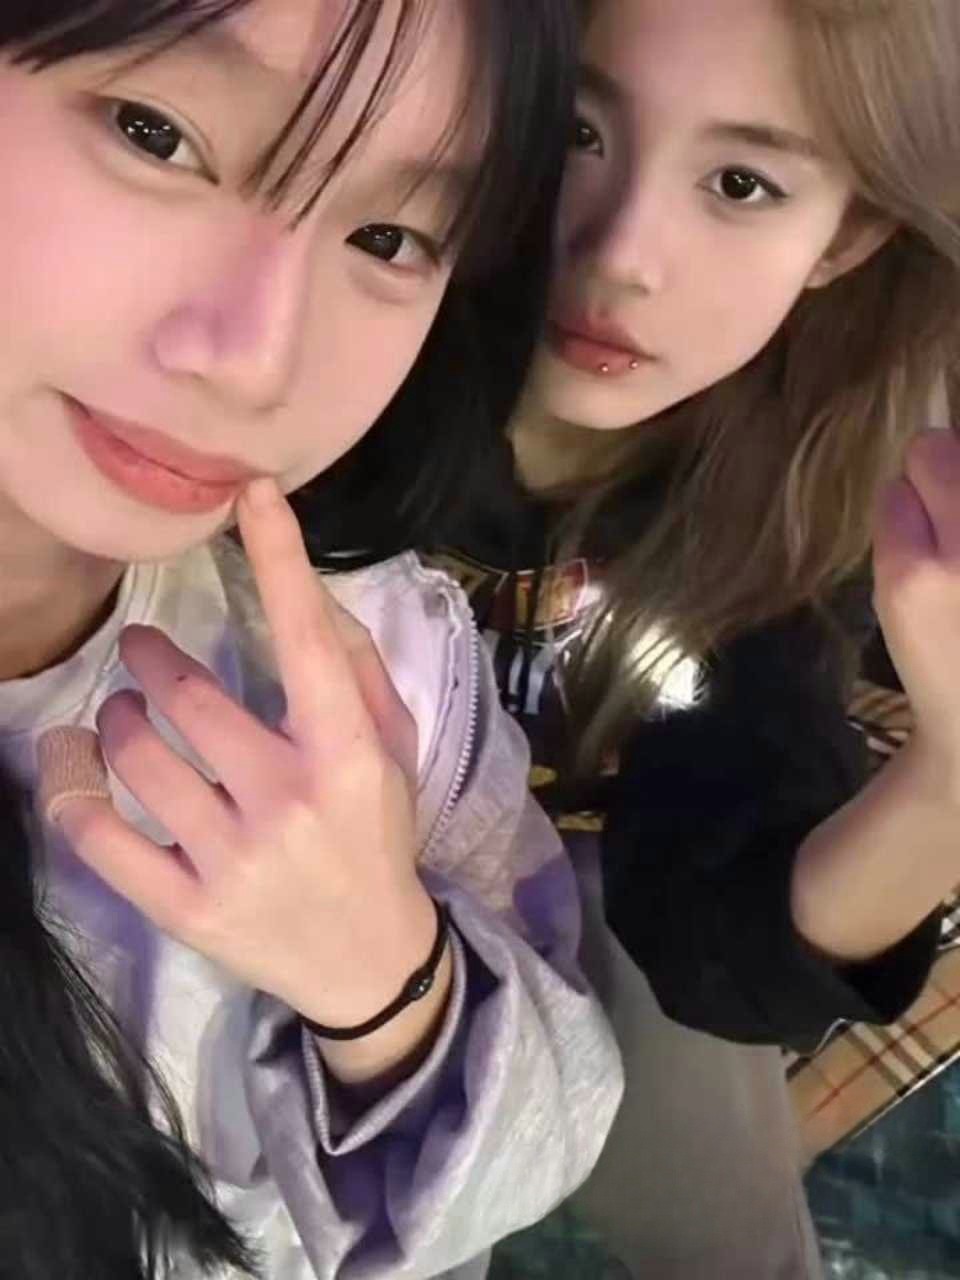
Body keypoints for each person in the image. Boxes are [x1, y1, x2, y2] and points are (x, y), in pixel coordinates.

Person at [0, 3, 623, 1278]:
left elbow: (537, 1143)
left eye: (388, 237)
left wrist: (388, 984)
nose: (256, 359)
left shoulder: (368, 667)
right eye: (153, 132)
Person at [436, 0, 960, 1274]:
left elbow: (729, 940)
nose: (621, 255)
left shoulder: (780, 504)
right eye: (576, 130)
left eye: (740, 183)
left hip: (593, 900)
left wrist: (950, 779)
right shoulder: (342, 350)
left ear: (848, 236)